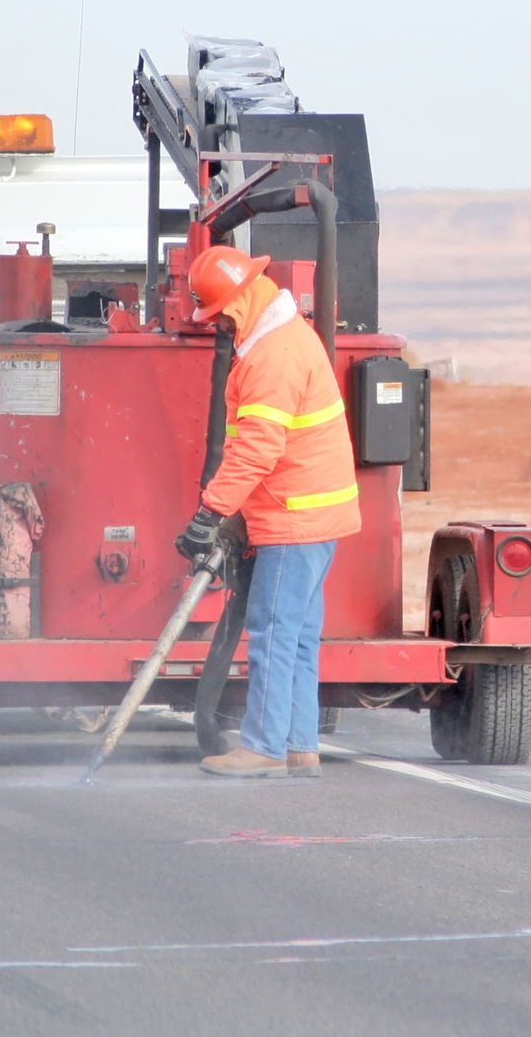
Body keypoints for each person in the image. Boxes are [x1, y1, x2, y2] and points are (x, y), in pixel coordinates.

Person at [174, 246, 361, 779]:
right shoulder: (282, 337)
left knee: (274, 631)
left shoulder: (272, 355)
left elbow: (257, 448)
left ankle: (263, 746)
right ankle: (300, 745)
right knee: (298, 635)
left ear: (243, 297)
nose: (222, 323)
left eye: (222, 312)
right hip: (310, 517)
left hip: (294, 518)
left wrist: (211, 512)